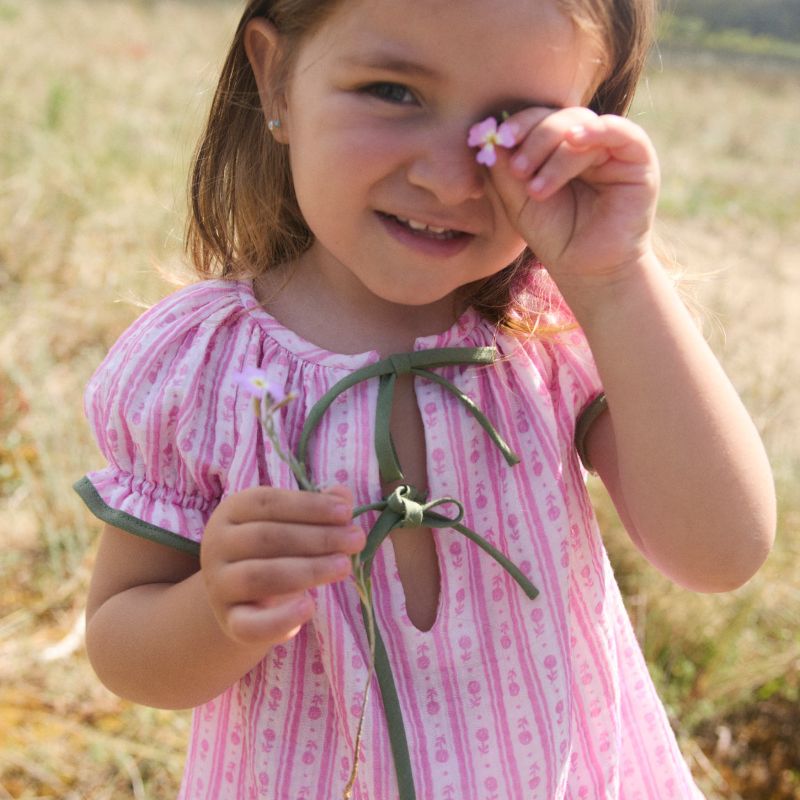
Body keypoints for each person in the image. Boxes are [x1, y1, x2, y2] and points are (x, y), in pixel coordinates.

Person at [75, 0, 776, 797]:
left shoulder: (560, 330)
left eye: (511, 125)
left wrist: (616, 279)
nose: (447, 178)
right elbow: (123, 648)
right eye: (392, 92)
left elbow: (721, 552)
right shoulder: (204, 365)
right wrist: (214, 609)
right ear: (276, 78)